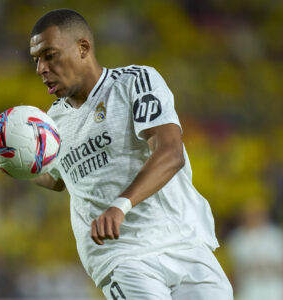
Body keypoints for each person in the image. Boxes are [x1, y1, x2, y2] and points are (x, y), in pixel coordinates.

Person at [28, 9, 233, 299]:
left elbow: (170, 153)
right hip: (121, 257)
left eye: (49, 55)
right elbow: (58, 178)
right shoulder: (52, 125)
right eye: (36, 59)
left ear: (83, 48)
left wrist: (119, 206)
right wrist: (23, 164)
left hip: (184, 244)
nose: (41, 68)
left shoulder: (135, 83)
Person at [227, 199, 283, 300]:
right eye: (250, 214)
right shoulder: (237, 238)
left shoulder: (276, 235)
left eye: (257, 214)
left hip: (276, 292)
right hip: (248, 292)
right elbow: (234, 270)